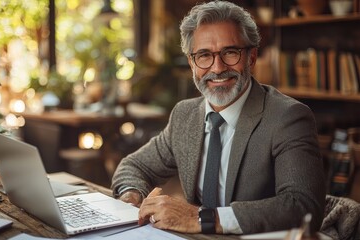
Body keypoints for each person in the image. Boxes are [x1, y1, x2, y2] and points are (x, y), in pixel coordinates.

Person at [111, 0, 325, 235]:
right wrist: (131, 195)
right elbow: (134, 166)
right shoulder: (185, 115)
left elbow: (303, 206)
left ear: (251, 57)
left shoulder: (288, 118)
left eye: (230, 52)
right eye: (204, 55)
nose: (217, 68)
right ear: (192, 63)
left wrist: (203, 218)